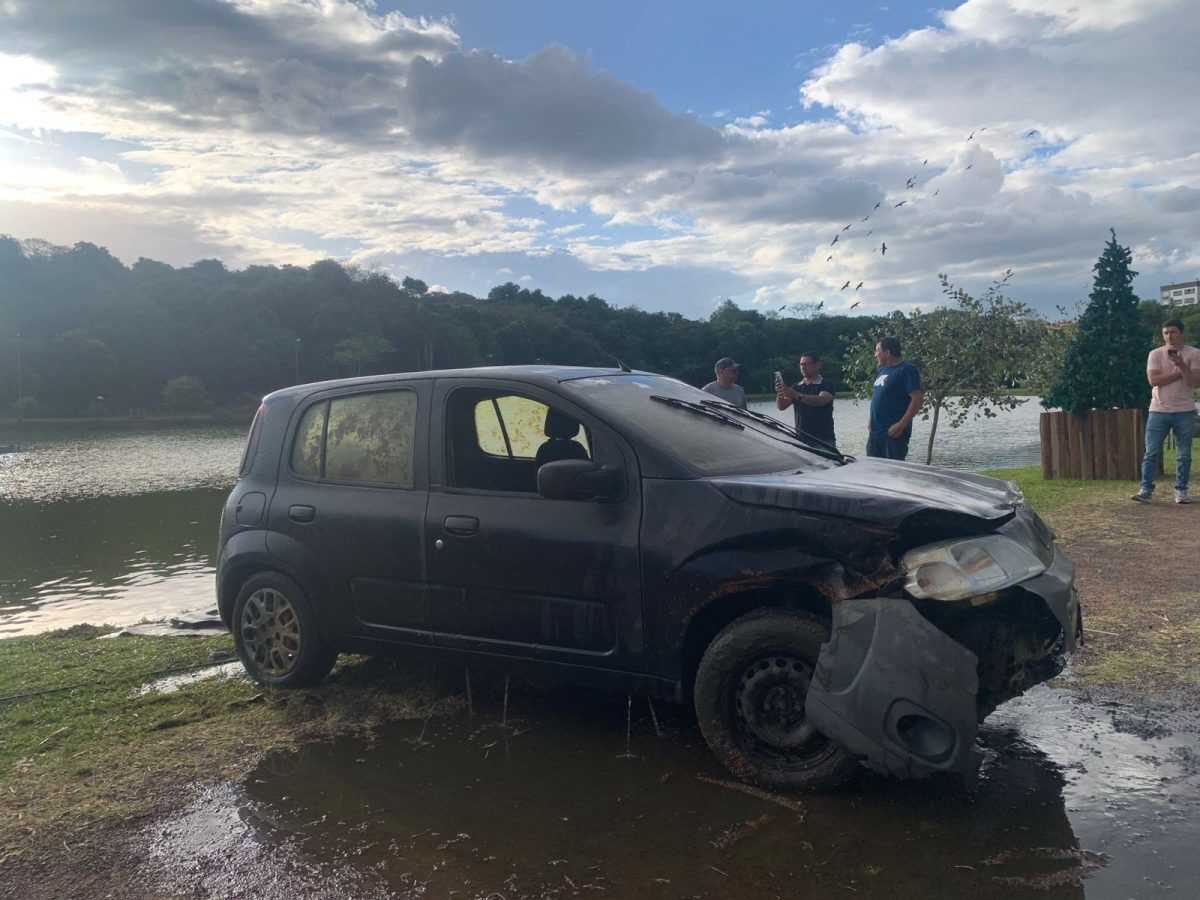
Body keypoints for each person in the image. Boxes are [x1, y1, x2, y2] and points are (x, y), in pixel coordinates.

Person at [1132, 319, 1200, 504]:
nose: (1169, 335)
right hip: (1158, 410)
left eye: (1173, 332)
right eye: (1166, 332)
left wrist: (1182, 365)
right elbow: (1154, 380)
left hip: (1185, 411)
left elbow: (1194, 382)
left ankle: (1181, 490)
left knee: (1183, 454)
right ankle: (1146, 490)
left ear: (1182, 333)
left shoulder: (1194, 354)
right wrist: (1179, 373)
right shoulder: (1155, 354)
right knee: (1151, 452)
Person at [867, 336, 923, 460]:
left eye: (877, 351)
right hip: (875, 433)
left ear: (887, 353)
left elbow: (917, 399)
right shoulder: (882, 371)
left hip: (893, 434)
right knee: (872, 473)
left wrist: (901, 425)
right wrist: (871, 421)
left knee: (893, 475)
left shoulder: (906, 370)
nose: (875, 355)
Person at [775, 352, 836, 448]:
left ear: (817, 365)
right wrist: (780, 393)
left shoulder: (826, 384)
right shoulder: (796, 386)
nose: (803, 367)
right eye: (801, 364)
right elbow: (781, 406)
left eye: (807, 364)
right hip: (801, 440)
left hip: (823, 440)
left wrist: (794, 394)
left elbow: (821, 401)